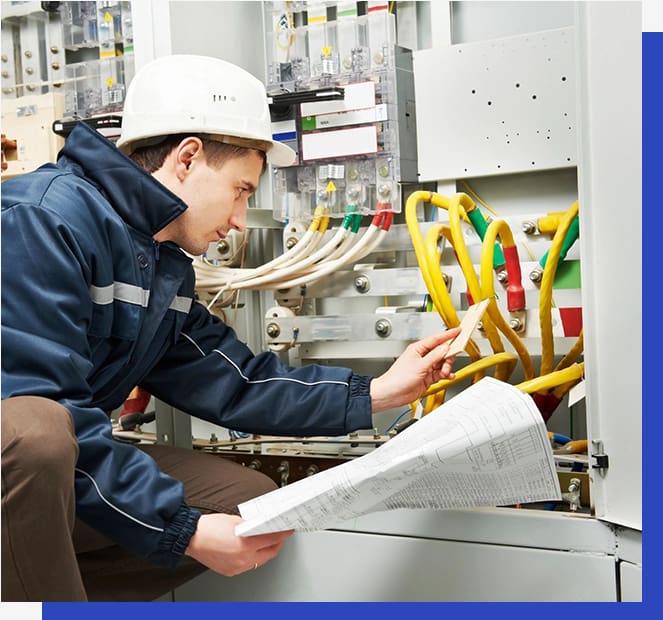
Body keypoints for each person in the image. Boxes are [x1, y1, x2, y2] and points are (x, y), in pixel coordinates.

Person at [1, 54, 460, 602]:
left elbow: (232, 379)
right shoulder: (40, 220)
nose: (241, 218)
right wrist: (184, 530)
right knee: (37, 432)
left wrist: (378, 393)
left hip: (39, 477)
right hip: (23, 455)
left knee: (246, 506)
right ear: (188, 158)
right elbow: (35, 404)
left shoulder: (155, 259)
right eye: (242, 190)